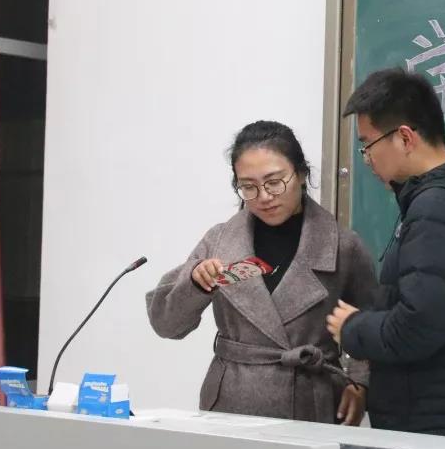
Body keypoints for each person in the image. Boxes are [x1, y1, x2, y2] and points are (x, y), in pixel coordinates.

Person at [326, 68, 445, 442]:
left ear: (405, 138)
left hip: (442, 433)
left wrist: (352, 328)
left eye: (367, 145)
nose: (367, 159)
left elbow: (417, 328)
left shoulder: (437, 210)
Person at [147, 121, 377, 424]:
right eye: (249, 187)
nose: (264, 196)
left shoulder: (343, 246)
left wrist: (359, 383)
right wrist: (195, 284)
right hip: (232, 402)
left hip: (310, 402)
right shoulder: (219, 241)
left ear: (301, 174)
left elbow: (372, 322)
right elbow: (166, 325)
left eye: (274, 182)